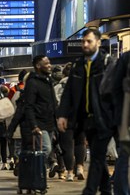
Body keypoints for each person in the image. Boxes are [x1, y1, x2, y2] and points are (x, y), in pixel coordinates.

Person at [57, 29, 114, 195]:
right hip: (85, 119)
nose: (85, 44)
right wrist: (63, 114)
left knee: (96, 156)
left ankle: (88, 191)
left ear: (98, 42)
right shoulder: (78, 65)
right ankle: (105, 190)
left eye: (89, 41)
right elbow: (68, 93)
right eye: (83, 41)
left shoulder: (107, 63)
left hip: (104, 118)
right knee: (98, 155)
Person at [23, 55, 57, 167]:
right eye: (46, 63)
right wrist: (33, 125)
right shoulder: (32, 83)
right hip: (39, 123)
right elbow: (28, 105)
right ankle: (32, 171)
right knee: (46, 148)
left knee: (46, 149)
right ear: (38, 66)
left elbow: (53, 102)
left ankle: (38, 177)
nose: (49, 65)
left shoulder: (48, 81)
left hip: (50, 122)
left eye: (49, 63)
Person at [112, 51, 130, 194]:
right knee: (124, 156)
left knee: (124, 156)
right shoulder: (126, 58)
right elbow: (116, 89)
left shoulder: (125, 58)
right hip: (125, 118)